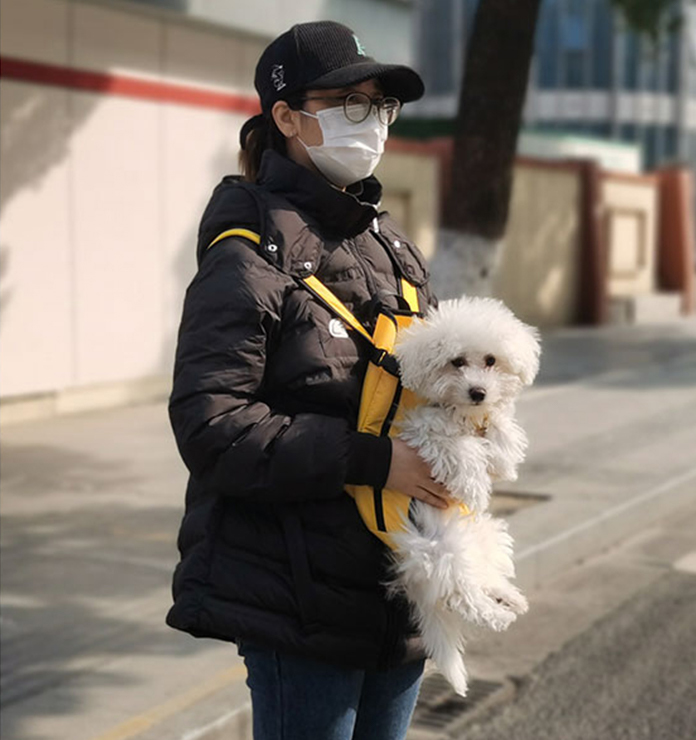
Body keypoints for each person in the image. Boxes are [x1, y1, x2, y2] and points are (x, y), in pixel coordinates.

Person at [166, 20, 453, 740]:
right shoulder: (247, 253)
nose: (374, 122)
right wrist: (375, 459)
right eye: (349, 102)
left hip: (400, 587)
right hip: (301, 599)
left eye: (380, 106)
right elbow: (213, 425)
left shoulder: (390, 245)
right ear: (288, 117)